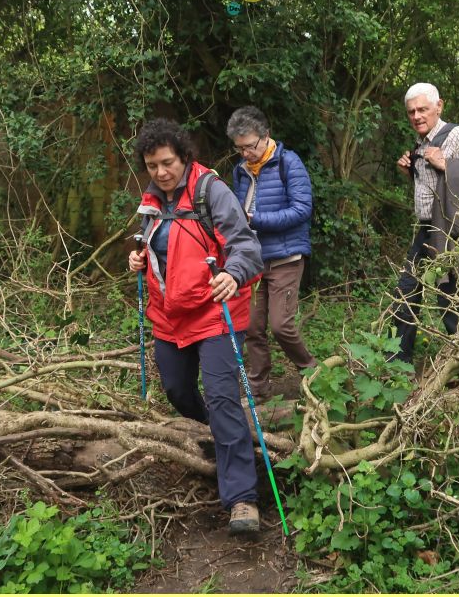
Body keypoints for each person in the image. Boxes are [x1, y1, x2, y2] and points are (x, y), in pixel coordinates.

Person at [127, 118, 264, 534]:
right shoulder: (152, 200)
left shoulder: (211, 192)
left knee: (222, 398)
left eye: (167, 163)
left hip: (216, 310)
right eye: (152, 165)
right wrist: (139, 258)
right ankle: (220, 438)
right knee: (177, 389)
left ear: (184, 157)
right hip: (171, 316)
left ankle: (242, 498)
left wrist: (233, 273)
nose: (161, 172)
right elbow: (158, 247)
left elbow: (246, 246)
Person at [390, 83, 459, 362]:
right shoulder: (421, 142)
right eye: (411, 111)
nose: (416, 116)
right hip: (426, 230)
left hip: (450, 233)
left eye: (422, 109)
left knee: (450, 301)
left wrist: (446, 164)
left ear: (439, 106)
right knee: (406, 292)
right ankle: (398, 364)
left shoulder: (455, 135)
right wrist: (409, 172)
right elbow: (433, 188)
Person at [228, 106, 317, 399]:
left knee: (281, 325)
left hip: (286, 258)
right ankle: (259, 387)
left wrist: (256, 220)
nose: (245, 154)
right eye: (239, 148)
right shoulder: (241, 171)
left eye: (250, 146)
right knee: (252, 327)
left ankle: (313, 374)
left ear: (266, 136)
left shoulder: (289, 163)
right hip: (252, 260)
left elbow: (302, 210)